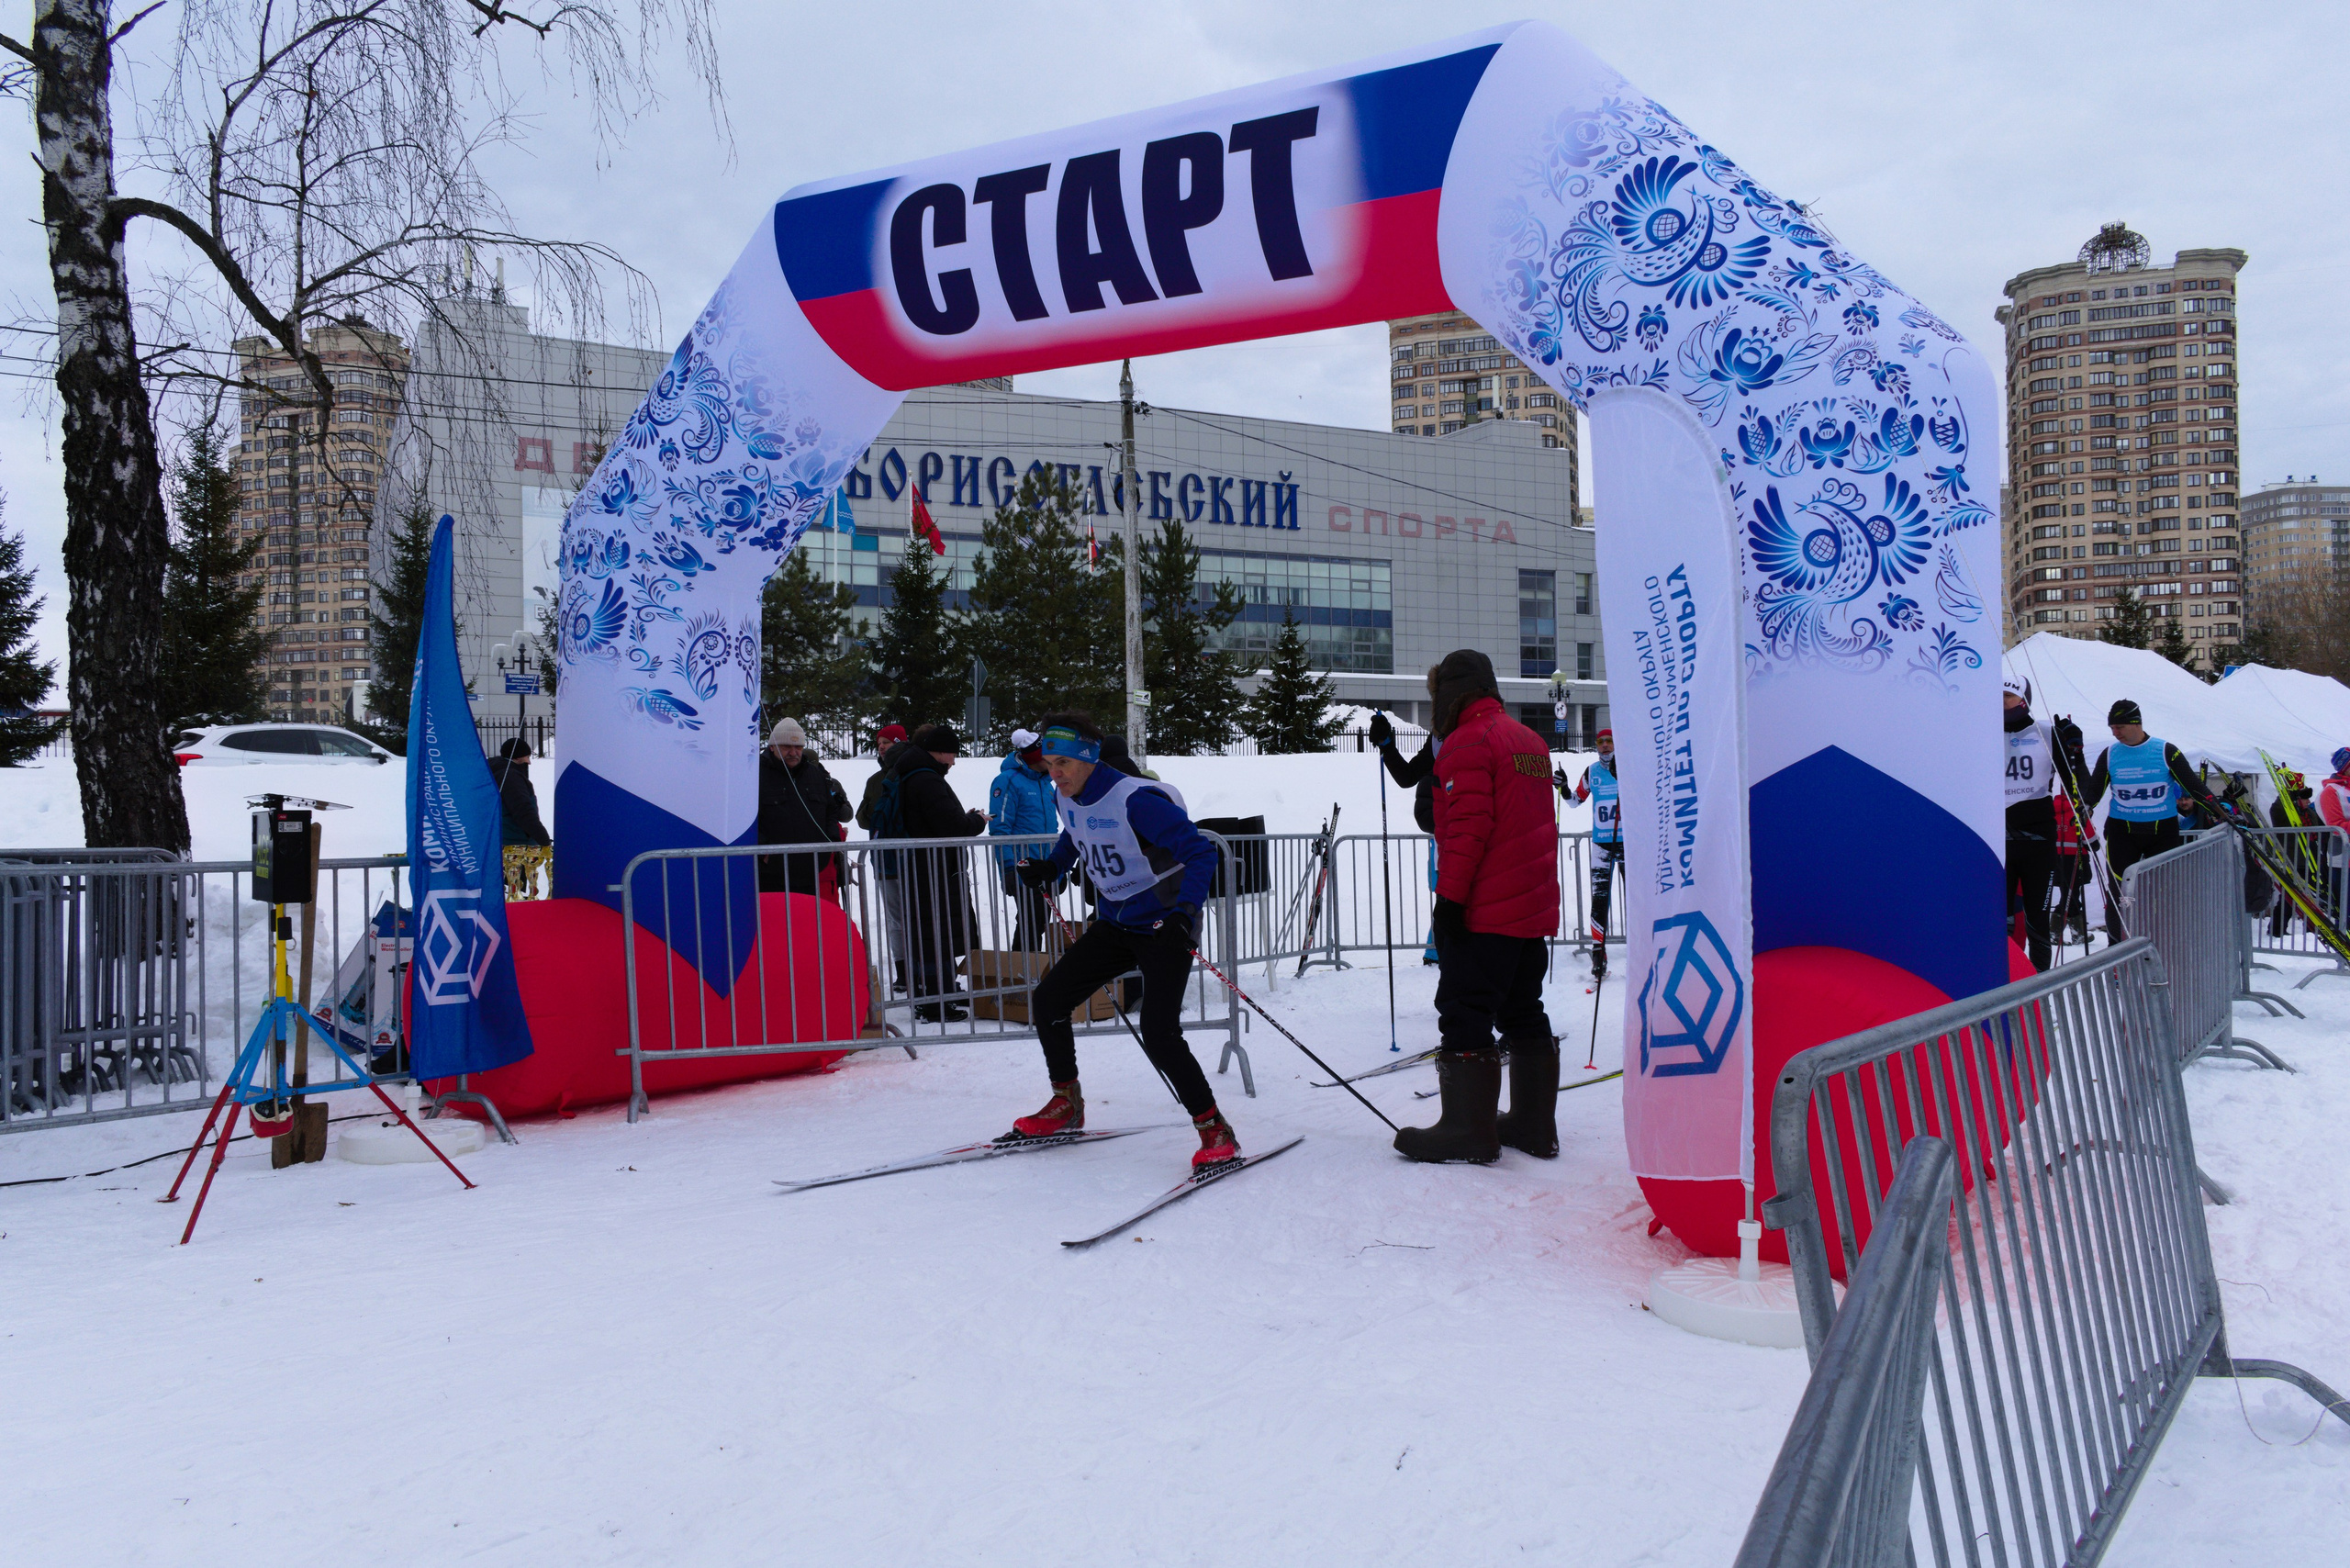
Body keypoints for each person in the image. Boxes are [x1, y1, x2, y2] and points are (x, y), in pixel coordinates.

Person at [1009, 711, 1238, 1171]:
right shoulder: (1065, 794)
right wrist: (1053, 867)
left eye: (1063, 764)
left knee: (1159, 1032)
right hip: (1116, 922)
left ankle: (1214, 1127)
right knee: (1049, 1000)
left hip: (1162, 926)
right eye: (1048, 763)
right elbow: (1075, 833)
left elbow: (1200, 851)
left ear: (1088, 759)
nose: (1054, 773)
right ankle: (1067, 1102)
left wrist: (1184, 915)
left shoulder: (1137, 799)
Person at [1393, 650, 1561, 1165]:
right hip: (1529, 911)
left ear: (1449, 694)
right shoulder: (1530, 741)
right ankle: (1534, 1125)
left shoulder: (1468, 742)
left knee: (1464, 1012)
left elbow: (1466, 833)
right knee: (1523, 1011)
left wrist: (1450, 903)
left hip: (1485, 910)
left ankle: (1468, 1129)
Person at [2081, 699, 2224, 943]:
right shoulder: (2110, 754)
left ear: (2136, 723)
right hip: (2123, 832)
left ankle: (2166, 947)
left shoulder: (2165, 750)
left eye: (2120, 727)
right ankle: (2118, 954)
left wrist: (2219, 811)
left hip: (2162, 832)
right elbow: (2094, 790)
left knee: (2165, 893)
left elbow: (2193, 785)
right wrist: (2085, 807)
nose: (2115, 733)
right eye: (2112, 728)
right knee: (2121, 894)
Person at [872, 722, 987, 1020]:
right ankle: (935, 1002)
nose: (954, 761)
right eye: (952, 754)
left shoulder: (911, 773)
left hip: (919, 868)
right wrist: (977, 821)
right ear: (940, 752)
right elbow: (952, 826)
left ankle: (937, 994)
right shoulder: (926, 779)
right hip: (931, 871)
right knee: (935, 934)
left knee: (931, 933)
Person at [1367, 710, 1440, 964]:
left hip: (1486, 843)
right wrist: (1387, 745)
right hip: (1448, 844)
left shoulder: (1486, 732)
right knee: (1447, 901)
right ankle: (1437, 952)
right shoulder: (1438, 737)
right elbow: (1408, 776)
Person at [2002, 678, 2063, 971]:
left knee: (2037, 919)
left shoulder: (2047, 732)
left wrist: (2072, 749)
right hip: (2000, 840)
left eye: (2007, 696)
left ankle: (2040, 987)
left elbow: (2077, 778)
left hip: (2038, 840)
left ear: (2023, 699)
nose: (2001, 702)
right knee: (2002, 922)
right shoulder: (1983, 733)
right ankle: (2004, 989)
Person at [756, 718, 851, 900]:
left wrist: (831, 842)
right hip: (770, 874)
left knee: (805, 925)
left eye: (798, 747)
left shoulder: (814, 774)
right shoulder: (756, 774)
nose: (793, 753)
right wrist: (763, 851)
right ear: (772, 746)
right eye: (786, 747)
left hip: (810, 870)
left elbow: (830, 811)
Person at [988, 727, 1062, 949]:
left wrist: (1060, 866)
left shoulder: (1044, 783)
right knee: (1033, 920)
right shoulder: (1007, 781)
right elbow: (1000, 828)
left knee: (1038, 921)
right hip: (1024, 866)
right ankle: (1022, 971)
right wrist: (1009, 868)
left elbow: (1052, 827)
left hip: (1045, 865)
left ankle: (1027, 970)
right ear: (1033, 758)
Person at [857, 722, 913, 991]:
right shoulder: (874, 781)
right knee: (897, 919)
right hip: (885, 861)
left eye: (887, 743)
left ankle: (922, 968)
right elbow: (862, 817)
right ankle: (903, 971)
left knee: (917, 916)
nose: (881, 748)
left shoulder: (913, 775)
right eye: (879, 744)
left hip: (913, 860)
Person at [1563, 727, 1620, 980]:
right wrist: (1564, 788)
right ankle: (1599, 957)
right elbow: (1576, 800)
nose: (1605, 745)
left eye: (1609, 741)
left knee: (1636, 898)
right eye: (1601, 742)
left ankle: (1646, 952)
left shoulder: (1627, 767)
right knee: (1599, 900)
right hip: (1601, 845)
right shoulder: (1591, 772)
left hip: (1628, 843)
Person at [493, 738, 553, 901]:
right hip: (515, 843)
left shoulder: (499, 771)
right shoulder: (511, 777)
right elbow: (523, 810)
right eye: (526, 757)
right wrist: (543, 839)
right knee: (514, 894)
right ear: (517, 757)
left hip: (506, 839)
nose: (529, 762)